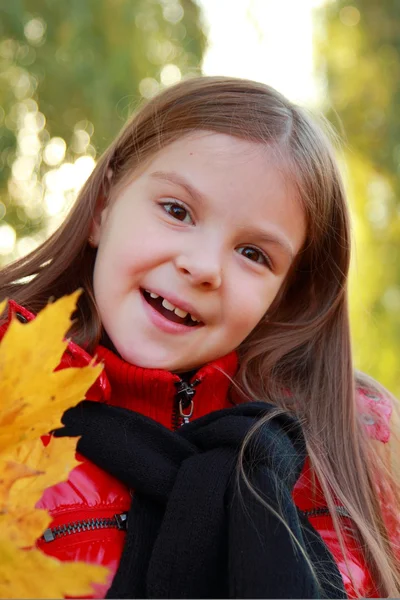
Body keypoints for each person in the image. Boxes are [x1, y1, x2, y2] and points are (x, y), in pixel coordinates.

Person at [0, 76, 399, 599]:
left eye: (254, 254)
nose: (203, 266)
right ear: (102, 206)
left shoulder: (359, 439)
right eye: (176, 211)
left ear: (284, 295)